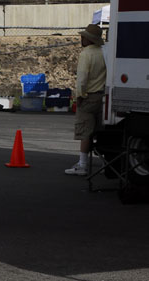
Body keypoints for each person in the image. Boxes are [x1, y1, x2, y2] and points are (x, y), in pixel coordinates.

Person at [65, 24, 106, 176]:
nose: (81, 38)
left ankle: (82, 165)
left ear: (88, 39)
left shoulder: (86, 54)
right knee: (100, 131)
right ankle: (105, 163)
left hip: (89, 96)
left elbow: (82, 79)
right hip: (102, 96)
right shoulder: (103, 53)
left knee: (85, 131)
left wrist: (79, 96)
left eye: (84, 36)